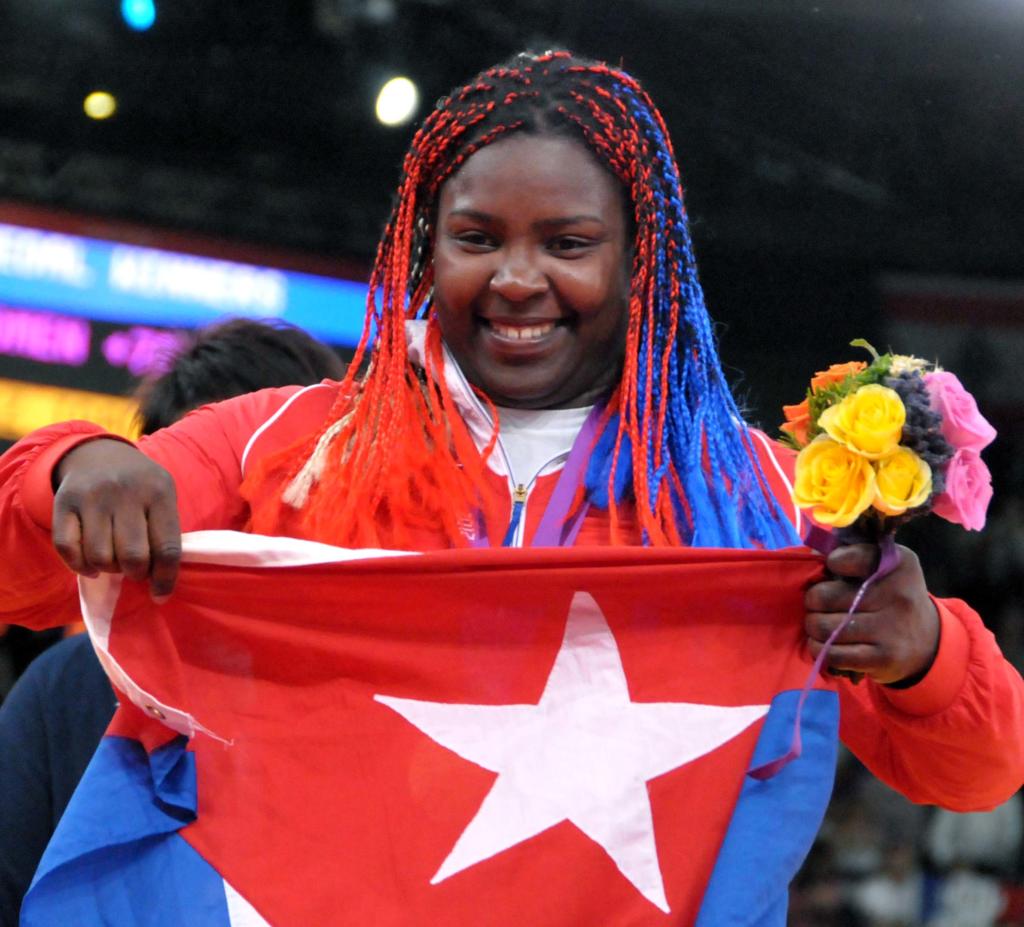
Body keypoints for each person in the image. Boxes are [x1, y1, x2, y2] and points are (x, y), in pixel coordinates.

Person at [0, 50, 1021, 921]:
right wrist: (73, 469)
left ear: (638, 262)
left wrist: (923, 655)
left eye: (567, 244)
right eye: (477, 238)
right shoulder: (285, 442)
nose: (516, 280)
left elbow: (983, 768)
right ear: (423, 245)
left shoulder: (760, 495)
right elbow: (26, 578)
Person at [0, 318, 345, 927]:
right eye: (188, 483)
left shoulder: (390, 676)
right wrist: (66, 459)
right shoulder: (67, 687)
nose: (219, 510)